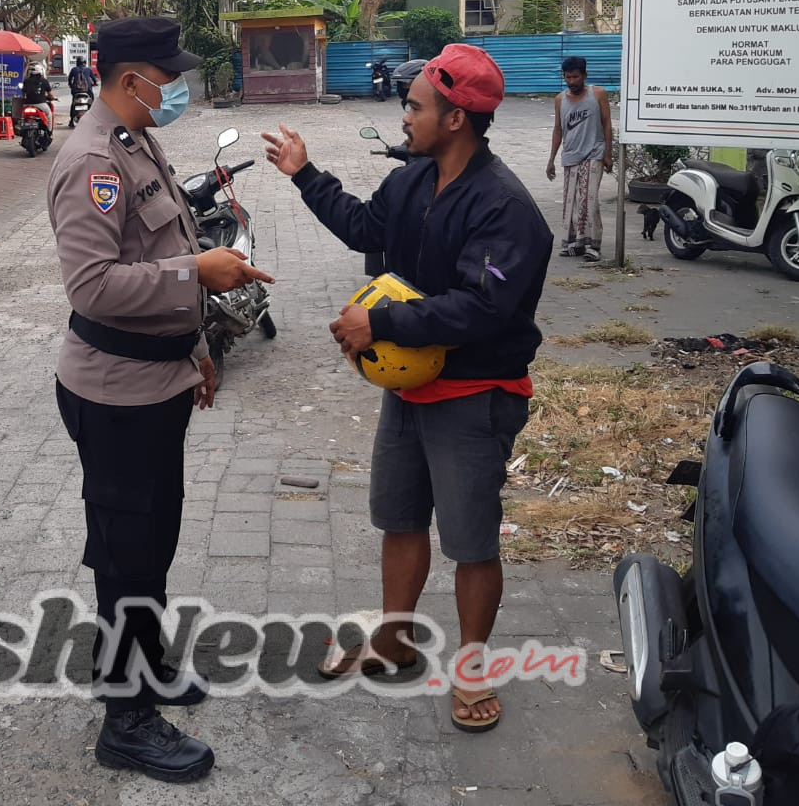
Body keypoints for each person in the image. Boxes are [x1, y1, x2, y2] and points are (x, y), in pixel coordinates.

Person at [262, 44, 551, 735]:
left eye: (416, 105)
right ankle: (393, 640)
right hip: (411, 390)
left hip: (475, 394)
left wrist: (380, 321)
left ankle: (472, 668)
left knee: (471, 542)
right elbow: (365, 226)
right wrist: (307, 177)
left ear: (455, 118)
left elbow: (483, 308)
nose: (405, 114)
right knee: (397, 520)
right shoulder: (413, 181)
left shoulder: (505, 207)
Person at [47, 16, 273, 783]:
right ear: (126, 76)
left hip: (159, 382)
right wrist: (197, 276)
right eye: (165, 75)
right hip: (113, 395)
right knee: (125, 559)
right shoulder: (88, 162)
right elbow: (93, 285)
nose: (175, 86)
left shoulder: (139, 140)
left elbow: (168, 246)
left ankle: (143, 663)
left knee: (153, 544)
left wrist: (199, 349)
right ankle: (126, 718)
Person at [546, 55, 613, 262]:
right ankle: (576, 242)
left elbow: (607, 123)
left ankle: (594, 244)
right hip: (571, 155)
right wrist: (551, 159)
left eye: (575, 77)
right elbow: (558, 130)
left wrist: (608, 153)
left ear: (585, 75)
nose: (572, 81)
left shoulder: (598, 94)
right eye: (568, 77)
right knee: (572, 201)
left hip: (594, 153)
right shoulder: (560, 100)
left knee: (589, 200)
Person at [22, 62, 56, 132]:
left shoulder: (26, 81)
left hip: (27, 104)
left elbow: (23, 93)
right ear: (41, 71)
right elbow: (50, 94)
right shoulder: (44, 81)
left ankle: (23, 129)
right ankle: (49, 131)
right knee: (49, 114)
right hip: (40, 104)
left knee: (23, 117)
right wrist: (53, 97)